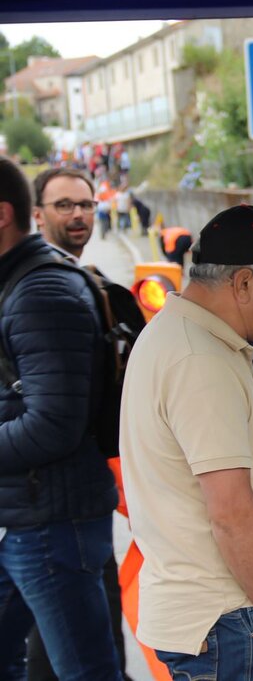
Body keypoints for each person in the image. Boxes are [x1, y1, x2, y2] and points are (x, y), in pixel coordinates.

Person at [119, 205, 253, 679]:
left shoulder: (183, 336)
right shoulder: (199, 361)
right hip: (231, 618)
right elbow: (231, 511)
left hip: (222, 615)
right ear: (242, 284)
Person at [0, 157, 122, 679]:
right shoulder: (23, 282)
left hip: (51, 522)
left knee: (84, 670)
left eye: (84, 203)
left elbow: (53, 424)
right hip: (28, 516)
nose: (77, 214)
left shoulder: (42, 292)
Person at [25, 167, 137, 681]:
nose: (78, 215)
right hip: (41, 506)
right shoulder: (31, 293)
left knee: (91, 641)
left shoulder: (102, 290)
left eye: (86, 205)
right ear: (35, 214)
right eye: (64, 205)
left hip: (86, 494)